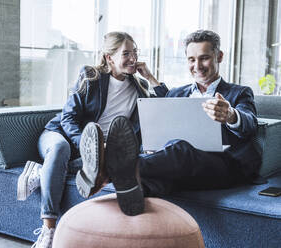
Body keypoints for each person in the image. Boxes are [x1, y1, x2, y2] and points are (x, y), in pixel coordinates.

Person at [77, 29, 261, 216]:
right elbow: (160, 111)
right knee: (160, 178)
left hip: (225, 165)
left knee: (179, 149)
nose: (197, 65)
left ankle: (106, 170)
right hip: (184, 168)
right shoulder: (177, 94)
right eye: (191, 59)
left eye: (204, 58)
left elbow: (250, 123)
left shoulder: (239, 92)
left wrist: (231, 115)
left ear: (219, 56)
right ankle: (133, 191)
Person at [16, 31, 152, 248]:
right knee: (60, 149)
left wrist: (151, 78)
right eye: (126, 53)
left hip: (101, 149)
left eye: (135, 52)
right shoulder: (91, 77)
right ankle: (48, 230)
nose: (133, 58)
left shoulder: (140, 89)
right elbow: (68, 117)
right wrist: (88, 147)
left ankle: (43, 171)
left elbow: (163, 109)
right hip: (61, 135)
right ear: (110, 57)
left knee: (114, 160)